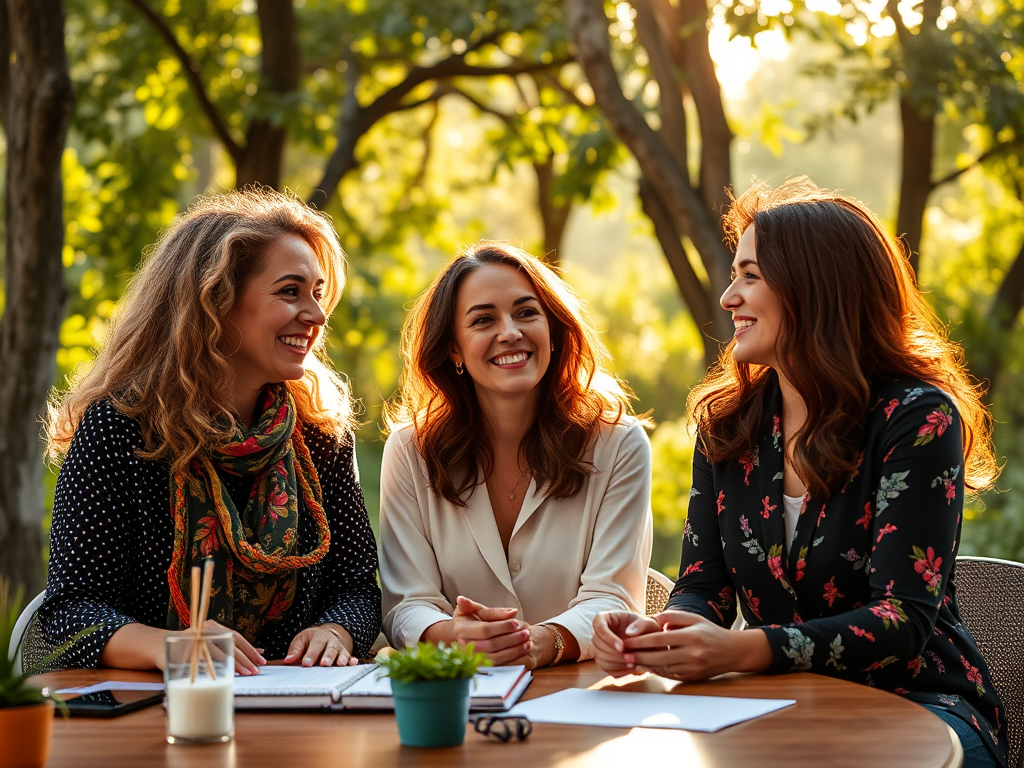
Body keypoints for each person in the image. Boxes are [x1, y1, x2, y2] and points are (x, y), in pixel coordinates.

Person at [592, 179, 1007, 768]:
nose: (727, 298)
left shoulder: (914, 419)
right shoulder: (727, 427)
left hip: (920, 709)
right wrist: (659, 636)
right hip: (772, 708)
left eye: (750, 276)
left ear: (816, 287)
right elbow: (704, 588)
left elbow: (901, 621)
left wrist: (739, 648)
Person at [39, 188, 381, 675]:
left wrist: (336, 631)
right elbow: (70, 613)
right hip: (157, 713)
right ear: (215, 300)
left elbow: (357, 588)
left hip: (301, 709)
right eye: (290, 291)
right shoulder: (118, 430)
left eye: (318, 294)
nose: (317, 315)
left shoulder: (319, 434)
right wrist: (173, 646)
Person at [379, 241, 653, 668]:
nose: (509, 332)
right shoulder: (411, 450)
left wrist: (544, 641)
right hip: (459, 696)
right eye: (483, 320)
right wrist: (452, 634)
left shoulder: (619, 444)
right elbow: (406, 603)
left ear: (553, 330)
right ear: (453, 349)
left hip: (582, 699)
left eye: (527, 313)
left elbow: (612, 596)